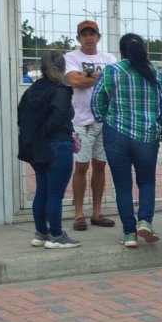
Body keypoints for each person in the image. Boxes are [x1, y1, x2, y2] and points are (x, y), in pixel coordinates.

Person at [92, 33, 162, 247]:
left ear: (121, 51)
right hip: (146, 135)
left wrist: (108, 119)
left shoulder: (110, 71)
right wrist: (156, 123)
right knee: (146, 181)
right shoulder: (155, 74)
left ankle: (129, 233)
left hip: (116, 133)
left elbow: (96, 103)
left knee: (122, 185)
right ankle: (145, 222)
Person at [17, 51, 80, 249]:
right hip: (58, 143)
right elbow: (59, 117)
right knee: (55, 194)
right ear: (63, 69)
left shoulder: (31, 90)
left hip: (36, 147)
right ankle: (56, 235)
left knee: (42, 191)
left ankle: (41, 233)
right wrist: (48, 132)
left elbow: (21, 117)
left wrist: (37, 135)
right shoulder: (61, 91)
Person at [64, 19, 118, 231]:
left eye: (92, 34)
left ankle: (96, 212)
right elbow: (74, 81)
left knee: (100, 166)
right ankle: (79, 213)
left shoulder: (109, 57)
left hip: (104, 120)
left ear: (98, 36)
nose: (88, 38)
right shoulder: (71, 57)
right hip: (80, 121)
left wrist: (86, 75)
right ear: (78, 38)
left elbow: (114, 81)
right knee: (80, 166)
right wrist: (101, 76)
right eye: (84, 35)